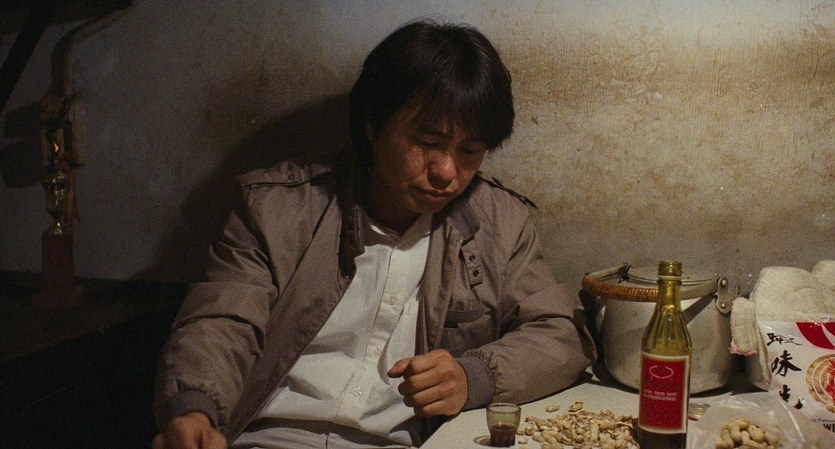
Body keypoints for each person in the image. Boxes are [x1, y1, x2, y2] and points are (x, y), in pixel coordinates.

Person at [152, 18, 595, 449]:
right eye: (428, 142)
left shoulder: (499, 224)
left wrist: (473, 376)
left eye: (469, 150)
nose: (446, 171)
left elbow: (561, 335)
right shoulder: (276, 209)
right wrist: (194, 410)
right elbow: (222, 321)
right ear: (372, 122)